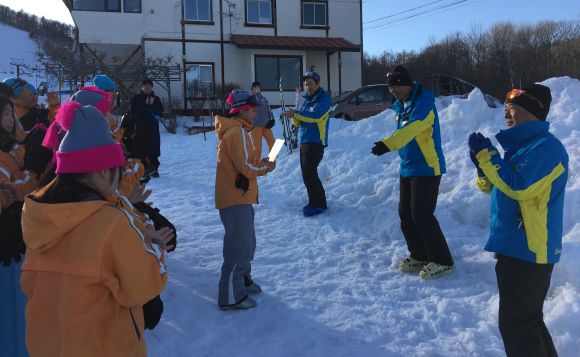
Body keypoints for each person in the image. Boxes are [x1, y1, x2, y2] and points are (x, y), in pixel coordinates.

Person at [20, 102, 171, 357]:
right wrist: (152, 245)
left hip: (47, 346)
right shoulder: (110, 224)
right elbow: (145, 285)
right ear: (102, 171)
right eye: (118, 170)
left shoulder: (39, 215)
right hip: (103, 345)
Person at [468, 84, 566, 357]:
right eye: (507, 107)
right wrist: (483, 169)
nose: (507, 113)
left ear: (533, 112)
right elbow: (499, 188)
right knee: (527, 321)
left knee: (517, 325)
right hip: (516, 244)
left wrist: (488, 158)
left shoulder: (547, 148)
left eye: (514, 108)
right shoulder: (523, 147)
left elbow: (519, 187)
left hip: (530, 249)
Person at [371, 65, 453, 279]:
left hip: (426, 167)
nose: (394, 90)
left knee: (422, 215)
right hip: (407, 167)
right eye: (390, 87)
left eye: (398, 85)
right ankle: (419, 254)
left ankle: (442, 260)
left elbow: (412, 129)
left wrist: (387, 144)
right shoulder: (403, 106)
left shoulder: (424, 104)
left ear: (408, 84)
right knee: (405, 214)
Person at [215, 89, 276, 310]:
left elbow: (246, 161)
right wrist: (265, 167)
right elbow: (246, 166)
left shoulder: (242, 131)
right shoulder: (236, 132)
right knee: (237, 247)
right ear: (242, 110)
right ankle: (230, 296)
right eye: (252, 109)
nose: (255, 113)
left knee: (247, 243)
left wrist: (261, 162)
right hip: (234, 199)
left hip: (242, 197)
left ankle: (243, 280)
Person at [0, 96, 51, 357]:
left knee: (20, 306)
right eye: (5, 114)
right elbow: (16, 188)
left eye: (11, 114)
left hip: (18, 234)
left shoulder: (14, 147)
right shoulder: (5, 154)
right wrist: (11, 193)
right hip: (5, 242)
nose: (10, 119)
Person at [282, 70, 331, 217]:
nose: (308, 86)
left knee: (310, 173)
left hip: (316, 142)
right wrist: (293, 117)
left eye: (310, 83)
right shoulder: (305, 99)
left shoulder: (324, 98)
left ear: (317, 83)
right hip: (304, 140)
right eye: (306, 84)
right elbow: (299, 120)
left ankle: (320, 204)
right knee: (306, 174)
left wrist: (297, 114)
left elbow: (316, 116)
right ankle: (314, 201)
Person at [130, 79, 164, 178]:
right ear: (142, 87)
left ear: (152, 87)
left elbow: (160, 112)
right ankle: (143, 169)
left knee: (153, 150)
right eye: (145, 85)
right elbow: (133, 110)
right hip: (140, 128)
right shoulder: (137, 98)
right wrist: (145, 104)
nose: (147, 87)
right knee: (141, 149)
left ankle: (154, 170)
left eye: (149, 85)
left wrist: (152, 105)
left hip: (153, 129)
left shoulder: (156, 99)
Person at [250, 81, 276, 156]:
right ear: (252, 89)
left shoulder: (264, 99)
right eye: (255, 88)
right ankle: (257, 163)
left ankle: (272, 160)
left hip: (266, 124)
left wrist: (272, 119)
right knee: (257, 147)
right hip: (255, 126)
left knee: (273, 143)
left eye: (258, 88)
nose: (257, 89)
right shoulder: (250, 100)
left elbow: (269, 110)